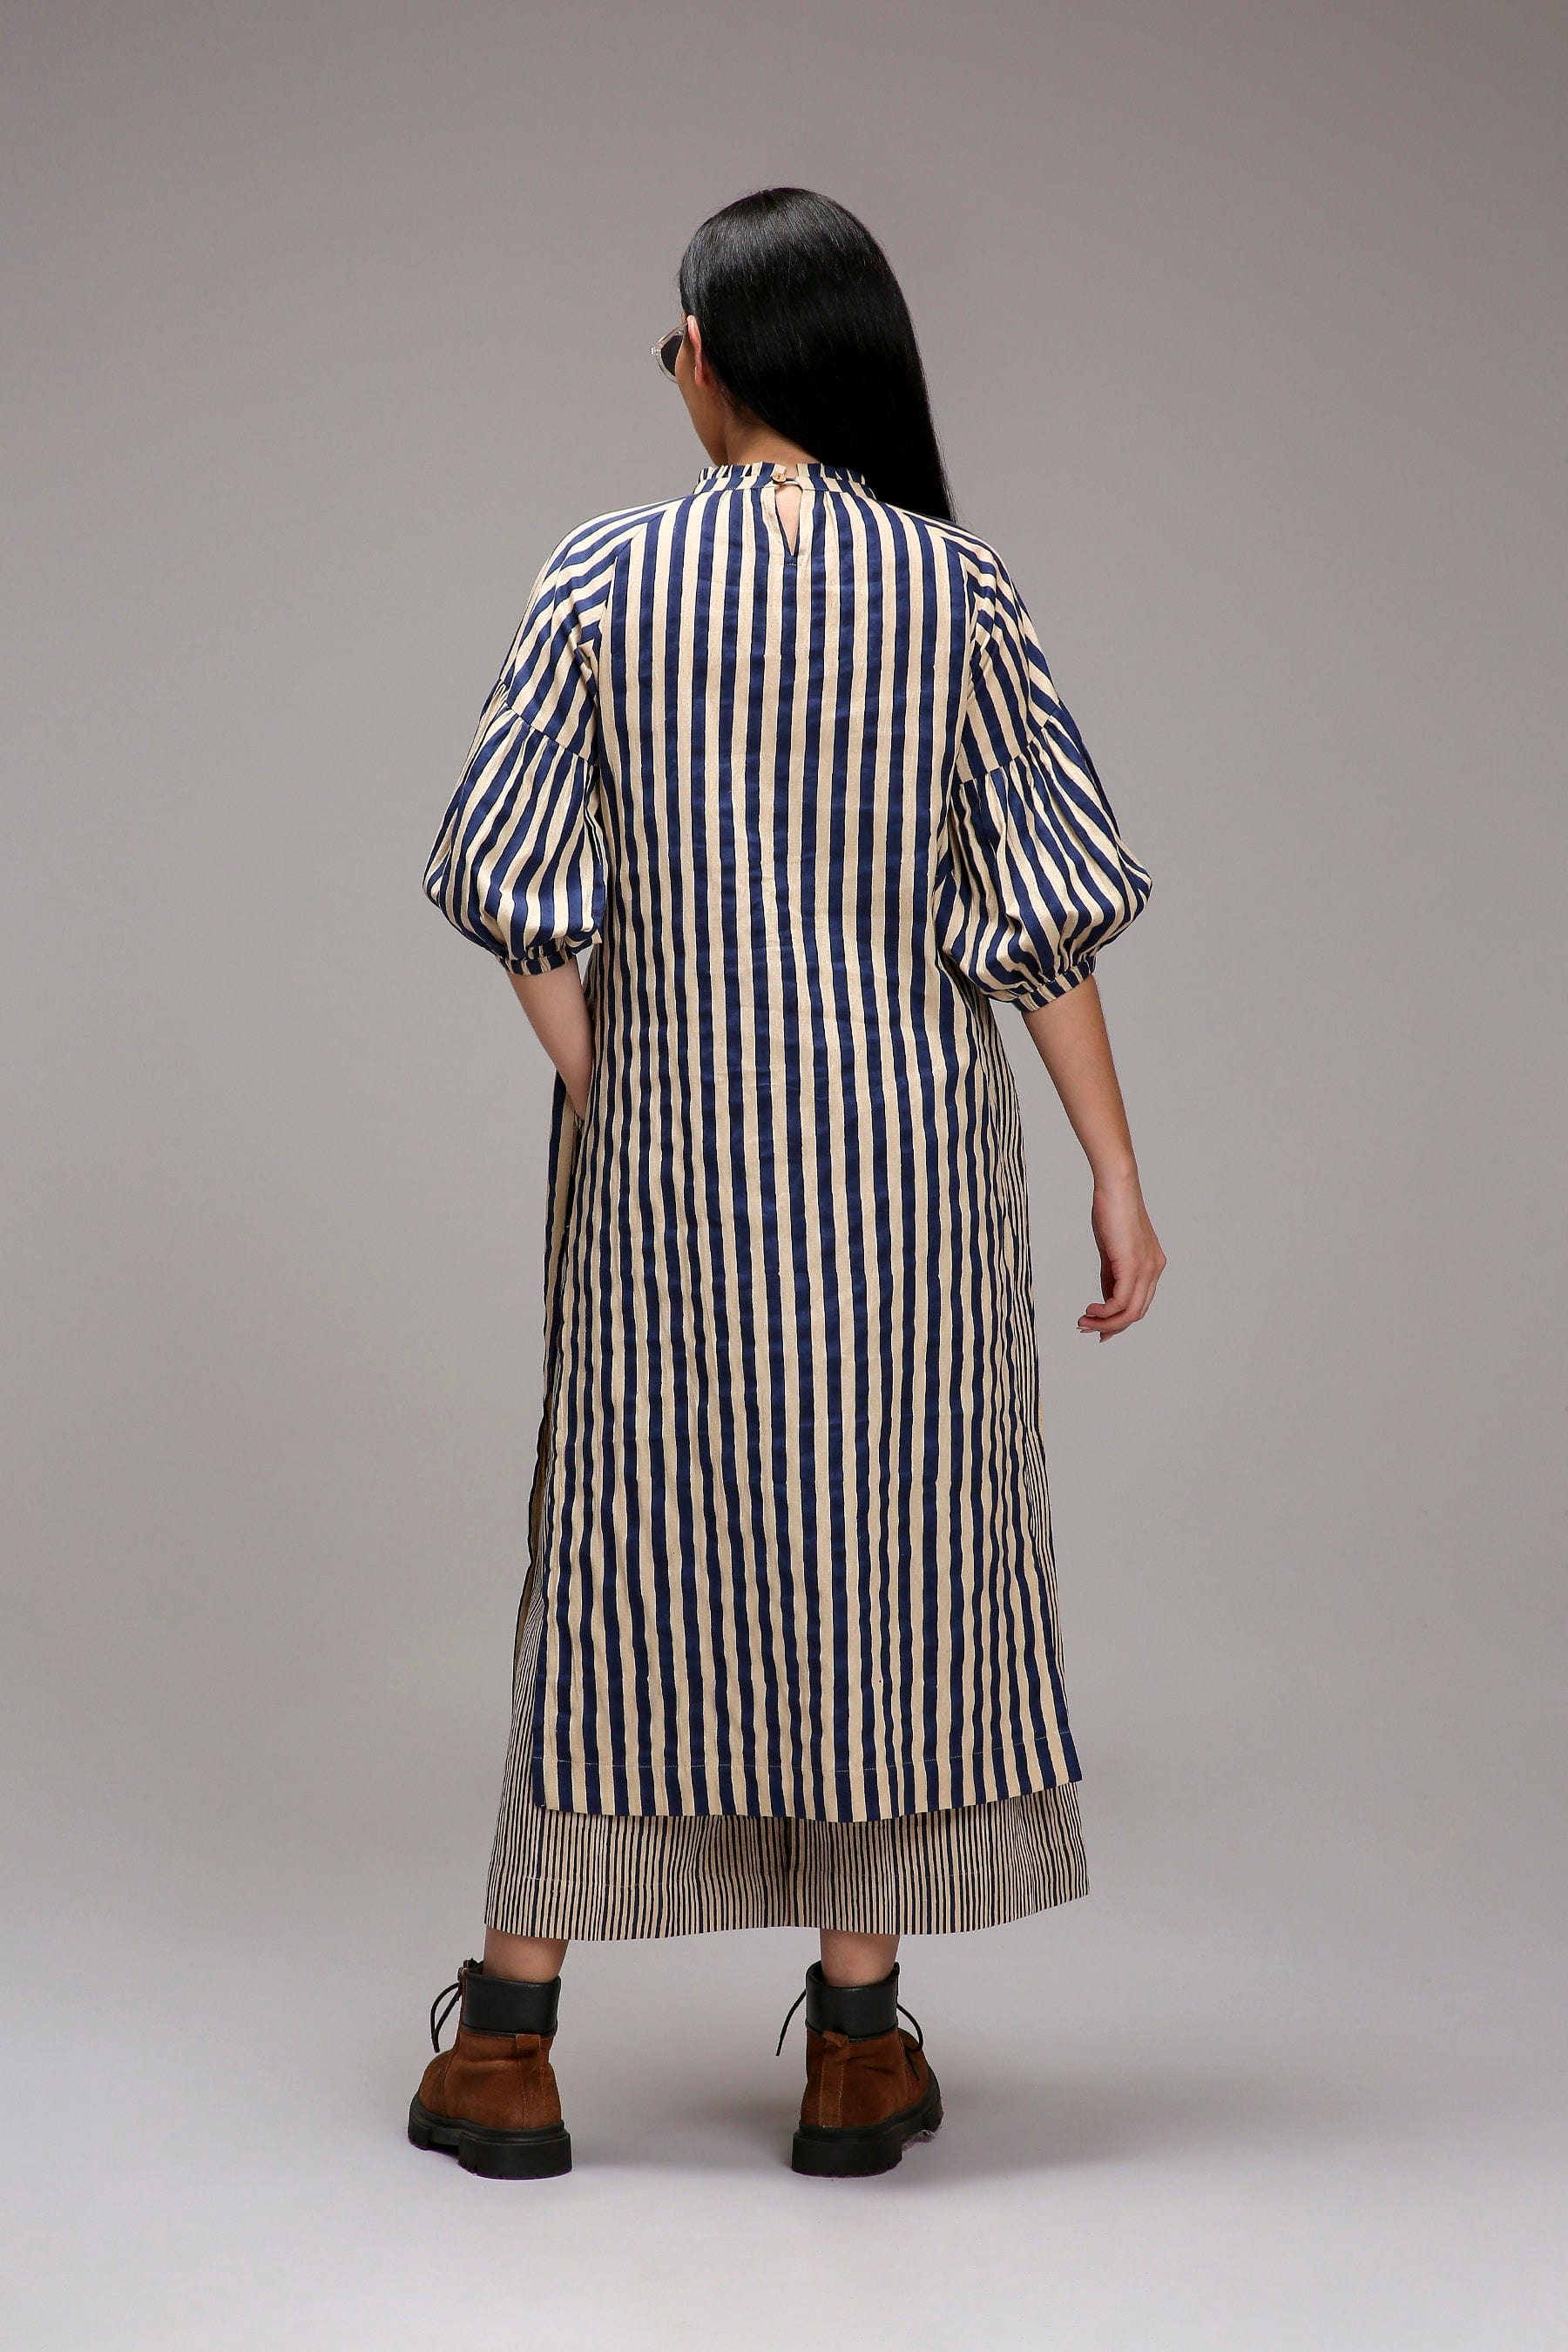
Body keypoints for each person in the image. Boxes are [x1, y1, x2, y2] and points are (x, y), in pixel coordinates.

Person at [409, 186, 1164, 2181]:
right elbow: (1045, 919)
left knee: (626, 1558)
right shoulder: (958, 591)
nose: (671, 364)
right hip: (912, 1175)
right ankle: (853, 2049)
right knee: (883, 1548)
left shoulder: (604, 575)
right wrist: (1116, 1171)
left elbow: (506, 878)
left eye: (677, 335)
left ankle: (511, 2046)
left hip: (672, 1167)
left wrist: (621, 1083)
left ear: (722, 356)